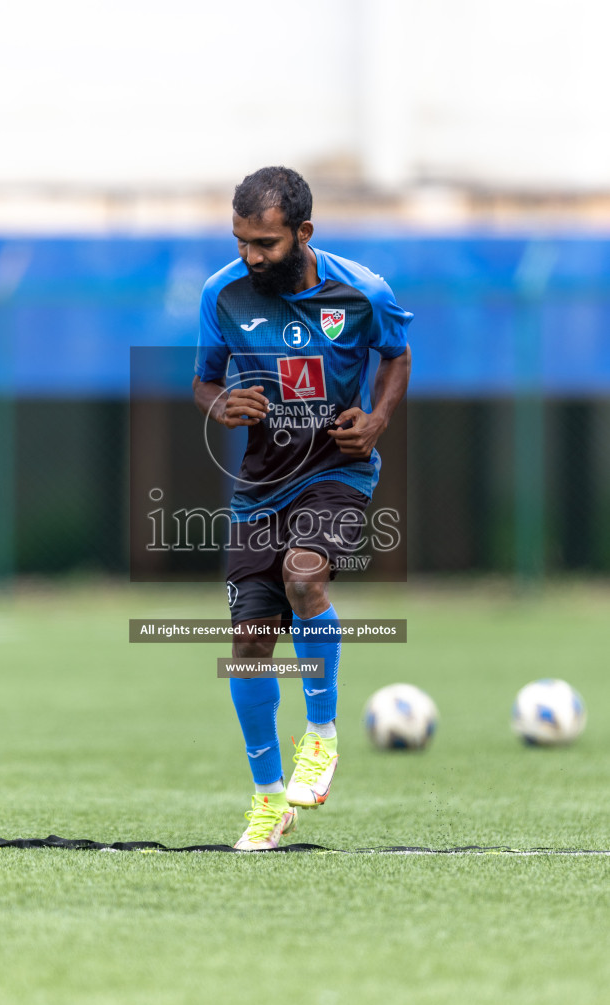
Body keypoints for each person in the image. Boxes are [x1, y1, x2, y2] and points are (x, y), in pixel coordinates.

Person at [192, 166, 412, 850]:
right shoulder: (220, 295)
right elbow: (203, 385)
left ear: (302, 233)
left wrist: (375, 420)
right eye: (241, 242)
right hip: (260, 485)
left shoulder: (362, 290)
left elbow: (395, 357)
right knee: (250, 644)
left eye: (264, 243)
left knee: (304, 574)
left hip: (335, 472)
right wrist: (221, 404)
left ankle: (320, 735)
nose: (250, 257)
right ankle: (267, 801)